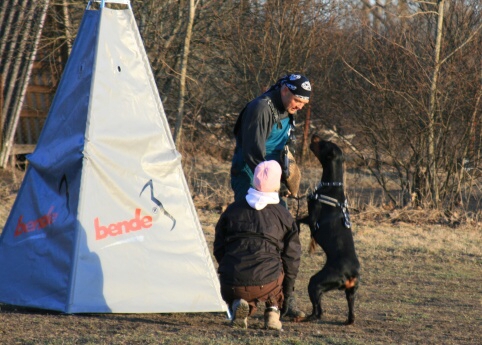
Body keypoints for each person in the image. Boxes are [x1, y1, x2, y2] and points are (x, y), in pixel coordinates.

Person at [214, 161, 302, 330]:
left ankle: (238, 305)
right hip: (266, 283)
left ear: (254, 180)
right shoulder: (283, 215)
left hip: (230, 282)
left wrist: (227, 268)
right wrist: (288, 292)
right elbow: (292, 257)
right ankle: (272, 312)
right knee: (280, 265)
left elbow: (219, 247)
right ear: (277, 184)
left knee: (242, 281)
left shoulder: (232, 210)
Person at [230, 73, 311, 203]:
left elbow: (286, 141)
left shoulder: (288, 108)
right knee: (252, 220)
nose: (300, 107)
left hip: (272, 176)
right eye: (297, 100)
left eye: (304, 103)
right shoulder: (261, 109)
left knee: (279, 219)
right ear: (285, 90)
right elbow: (252, 152)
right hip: (251, 174)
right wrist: (274, 183)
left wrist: (286, 174)